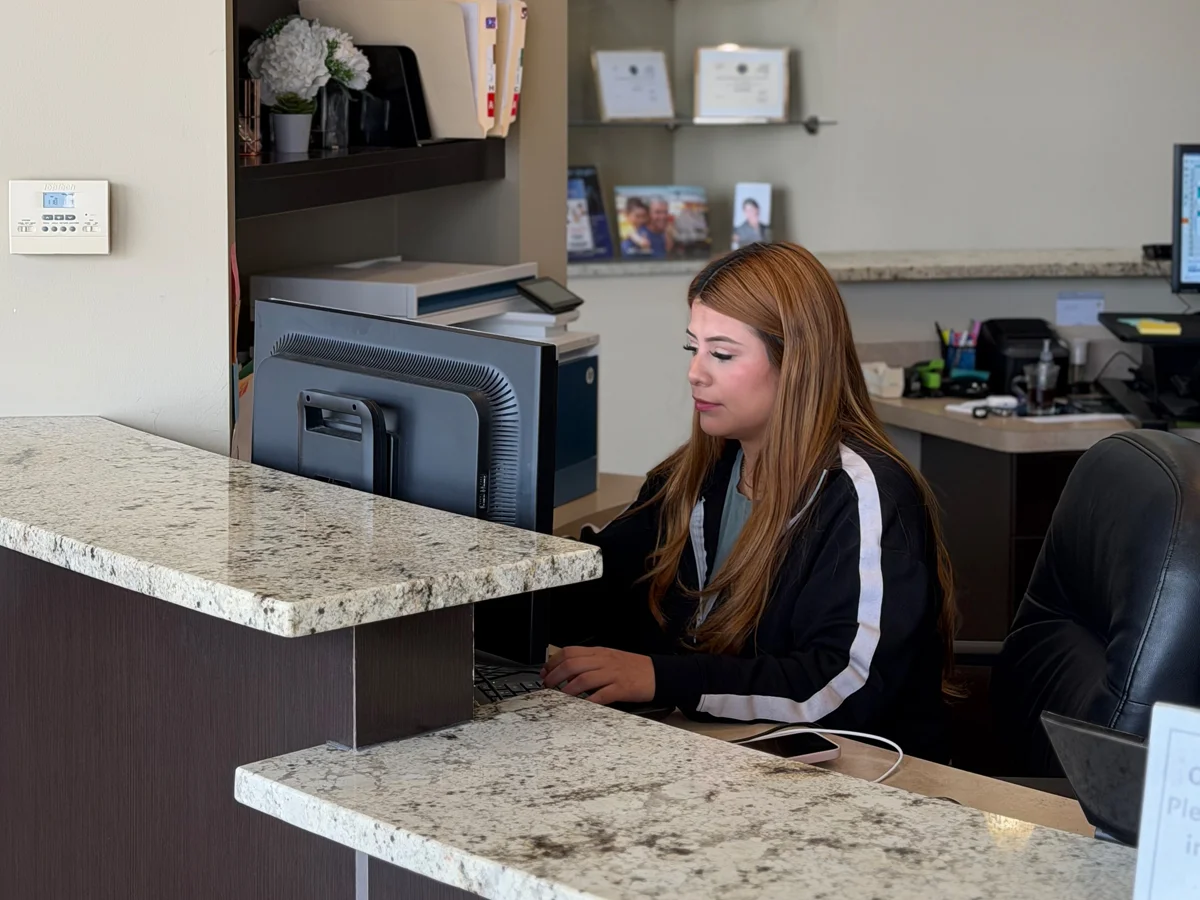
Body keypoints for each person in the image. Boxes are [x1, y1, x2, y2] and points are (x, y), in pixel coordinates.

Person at [543, 241, 957, 761]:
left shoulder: (865, 494)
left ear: (796, 363)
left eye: (721, 354)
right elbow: (600, 584)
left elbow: (843, 685)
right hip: (727, 758)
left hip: (860, 777)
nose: (696, 372)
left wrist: (663, 678)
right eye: (692, 348)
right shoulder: (696, 474)